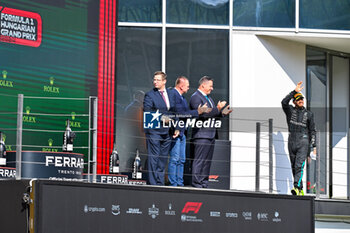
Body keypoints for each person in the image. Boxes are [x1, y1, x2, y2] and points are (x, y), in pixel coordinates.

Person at [189, 76, 232, 188]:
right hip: (201, 135)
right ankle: (197, 183)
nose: (212, 88)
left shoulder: (209, 98)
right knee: (200, 160)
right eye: (210, 86)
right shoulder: (195, 97)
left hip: (210, 135)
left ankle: (204, 182)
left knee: (207, 162)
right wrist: (217, 108)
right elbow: (203, 114)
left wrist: (222, 113)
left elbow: (212, 113)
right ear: (203, 85)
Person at [168, 76, 211, 186]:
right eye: (187, 86)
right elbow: (178, 113)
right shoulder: (173, 94)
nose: (188, 88)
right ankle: (173, 183)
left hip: (182, 132)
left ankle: (179, 182)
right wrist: (198, 112)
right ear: (181, 86)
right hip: (176, 131)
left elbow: (185, 112)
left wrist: (196, 112)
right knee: (175, 159)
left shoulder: (182, 98)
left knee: (182, 160)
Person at [281, 81, 316, 196]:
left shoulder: (309, 114)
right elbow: (283, 102)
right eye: (298, 99)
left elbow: (312, 130)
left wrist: (313, 146)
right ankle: (300, 189)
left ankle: (296, 187)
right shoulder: (290, 110)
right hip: (291, 140)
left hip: (303, 141)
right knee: (293, 166)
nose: (301, 101)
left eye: (302, 99)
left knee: (299, 165)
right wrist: (294, 91)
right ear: (294, 101)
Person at [143, 71, 177, 185]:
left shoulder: (171, 94)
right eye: (154, 79)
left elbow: (174, 111)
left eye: (158, 80)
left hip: (168, 131)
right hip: (154, 131)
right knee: (154, 158)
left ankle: (160, 182)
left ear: (164, 81)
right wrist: (162, 118)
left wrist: (176, 127)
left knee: (163, 159)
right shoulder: (150, 95)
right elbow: (147, 111)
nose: (155, 82)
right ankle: (153, 183)